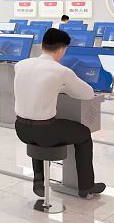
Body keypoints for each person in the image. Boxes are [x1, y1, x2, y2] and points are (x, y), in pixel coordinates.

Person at [14, 28, 105, 199]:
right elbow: (87, 94)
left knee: (40, 125)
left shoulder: (21, 65)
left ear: (42, 45)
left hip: (21, 129)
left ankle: (39, 179)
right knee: (84, 134)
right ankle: (86, 186)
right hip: (45, 133)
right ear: (63, 49)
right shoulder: (61, 70)